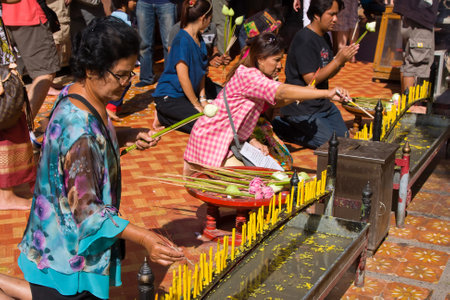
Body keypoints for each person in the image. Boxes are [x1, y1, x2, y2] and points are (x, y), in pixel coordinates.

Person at [0, 17, 184, 299]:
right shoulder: (79, 132)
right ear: (90, 69)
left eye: (130, 74)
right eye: (120, 75)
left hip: (58, 227)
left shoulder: (78, 94)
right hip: (67, 243)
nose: (126, 83)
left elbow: (95, 138)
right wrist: (145, 237)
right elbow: (88, 210)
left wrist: (128, 134)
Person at [183, 32, 350, 175]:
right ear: (261, 58)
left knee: (266, 176)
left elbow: (277, 100)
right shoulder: (250, 76)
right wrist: (327, 93)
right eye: (276, 60)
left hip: (228, 138)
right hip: (211, 140)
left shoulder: (258, 76)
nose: (280, 66)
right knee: (251, 185)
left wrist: (250, 139)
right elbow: (282, 92)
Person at [271, 0, 359, 150]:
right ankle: (281, 125)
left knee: (345, 140)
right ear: (317, 15)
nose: (335, 19)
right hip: (302, 107)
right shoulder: (304, 39)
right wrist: (337, 60)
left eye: (336, 14)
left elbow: (327, 72)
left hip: (322, 105)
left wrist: (341, 61)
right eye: (331, 14)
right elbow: (311, 79)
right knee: (332, 145)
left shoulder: (324, 37)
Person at [152, 0, 212, 133]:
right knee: (202, 126)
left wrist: (203, 99)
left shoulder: (199, 38)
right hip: (170, 95)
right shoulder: (181, 40)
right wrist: (196, 104)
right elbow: (183, 77)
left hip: (188, 94)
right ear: (203, 18)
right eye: (210, 19)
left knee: (215, 110)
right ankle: (163, 115)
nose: (210, 23)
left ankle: (172, 115)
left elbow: (203, 71)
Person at [2, 0, 60, 119]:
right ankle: (24, 126)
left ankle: (19, 127)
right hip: (27, 14)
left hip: (12, 16)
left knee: (10, 78)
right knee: (45, 73)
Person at [167, 18, 231, 99]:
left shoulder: (212, 26)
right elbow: (173, 59)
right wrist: (207, 62)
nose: (210, 20)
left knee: (227, 97)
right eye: (209, 17)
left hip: (202, 80)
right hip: (182, 83)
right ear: (202, 17)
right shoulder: (177, 29)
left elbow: (214, 51)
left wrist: (219, 59)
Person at [393, 0, 439, 94]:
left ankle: (406, 101)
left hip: (409, 13)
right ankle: (411, 105)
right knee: (415, 65)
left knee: (408, 60)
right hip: (421, 16)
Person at [106, 0, 138, 121]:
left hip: (111, 57)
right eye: (133, 0)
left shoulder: (111, 18)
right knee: (125, 81)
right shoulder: (124, 20)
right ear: (124, 3)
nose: (135, 3)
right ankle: (112, 106)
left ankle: (115, 106)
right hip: (120, 57)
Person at [135, 0, 176, 87]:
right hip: (144, 2)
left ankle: (170, 78)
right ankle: (146, 77)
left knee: (169, 43)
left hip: (167, 2)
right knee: (144, 44)